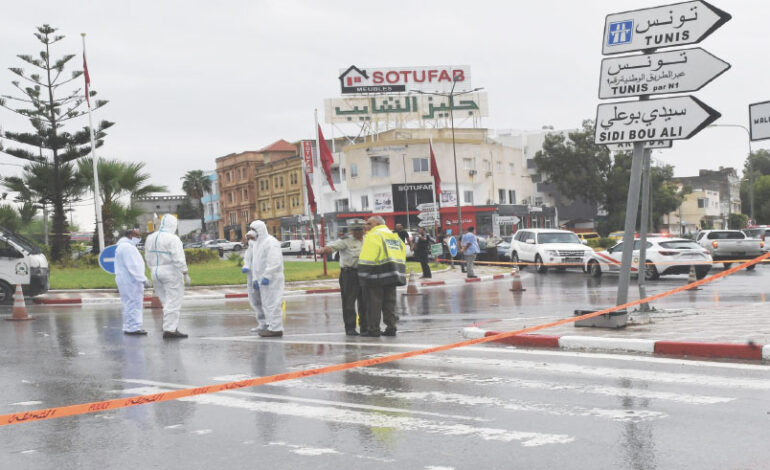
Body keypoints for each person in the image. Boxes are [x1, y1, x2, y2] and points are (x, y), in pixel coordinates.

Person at [358, 216, 406, 337]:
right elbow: (402, 253)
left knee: (373, 304)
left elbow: (368, 256)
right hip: (393, 274)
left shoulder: (373, 235)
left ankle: (373, 330)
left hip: (376, 275)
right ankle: (391, 327)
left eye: (369, 223)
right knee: (389, 303)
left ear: (377, 224)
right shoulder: (394, 236)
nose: (366, 226)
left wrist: (362, 275)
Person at [317, 219, 367, 336]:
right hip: (349, 274)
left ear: (363, 230)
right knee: (349, 302)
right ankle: (350, 328)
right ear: (351, 230)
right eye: (355, 230)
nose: (357, 232)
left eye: (360, 229)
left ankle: (365, 327)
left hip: (364, 273)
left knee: (365, 301)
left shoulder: (367, 240)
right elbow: (331, 247)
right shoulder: (346, 241)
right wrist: (323, 250)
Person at [145, 214, 190, 339]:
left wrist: (152, 268)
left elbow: (147, 256)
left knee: (166, 301)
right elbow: (178, 257)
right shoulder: (173, 238)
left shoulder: (150, 237)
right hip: (171, 271)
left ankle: (170, 326)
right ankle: (170, 330)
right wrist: (185, 271)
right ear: (173, 224)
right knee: (173, 301)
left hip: (155, 271)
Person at [249, 220, 285, 337]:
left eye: (254, 230)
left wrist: (267, 275)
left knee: (273, 303)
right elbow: (255, 263)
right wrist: (255, 278)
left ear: (260, 230)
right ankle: (271, 326)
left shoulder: (271, 242)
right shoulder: (257, 243)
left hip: (273, 279)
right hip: (262, 280)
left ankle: (276, 328)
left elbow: (275, 262)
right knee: (266, 304)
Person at [115, 228, 149, 335]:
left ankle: (129, 326)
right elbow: (134, 266)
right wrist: (143, 279)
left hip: (126, 279)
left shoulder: (123, 246)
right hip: (131, 280)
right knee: (134, 303)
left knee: (129, 303)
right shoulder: (127, 248)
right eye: (137, 236)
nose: (139, 238)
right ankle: (133, 328)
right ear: (130, 235)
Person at [241, 230, 266, 330]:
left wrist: (264, 277)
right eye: (249, 238)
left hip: (262, 277)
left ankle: (270, 324)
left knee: (265, 301)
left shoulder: (264, 246)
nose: (250, 241)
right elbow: (247, 259)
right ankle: (262, 323)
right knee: (255, 301)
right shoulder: (251, 248)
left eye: (252, 238)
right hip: (252, 277)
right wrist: (246, 266)